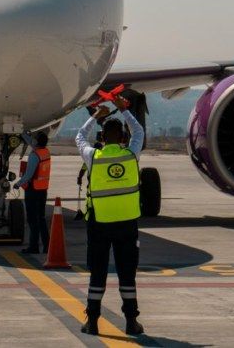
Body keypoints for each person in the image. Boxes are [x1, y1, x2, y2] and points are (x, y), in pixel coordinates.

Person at [76, 97, 145, 336]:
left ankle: (92, 321)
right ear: (124, 139)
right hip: (127, 224)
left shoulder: (93, 157)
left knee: (98, 274)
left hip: (100, 224)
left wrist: (95, 115)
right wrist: (125, 109)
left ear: (102, 138)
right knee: (127, 275)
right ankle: (131, 322)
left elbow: (79, 137)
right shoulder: (131, 155)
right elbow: (139, 130)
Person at [13, 132, 51, 254]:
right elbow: (31, 142)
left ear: (36, 142)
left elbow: (28, 175)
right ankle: (47, 246)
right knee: (41, 218)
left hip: (33, 191)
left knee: (32, 220)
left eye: (33, 139)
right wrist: (22, 133)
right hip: (42, 190)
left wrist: (17, 184)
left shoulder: (35, 155)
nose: (32, 141)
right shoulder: (45, 152)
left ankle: (33, 247)